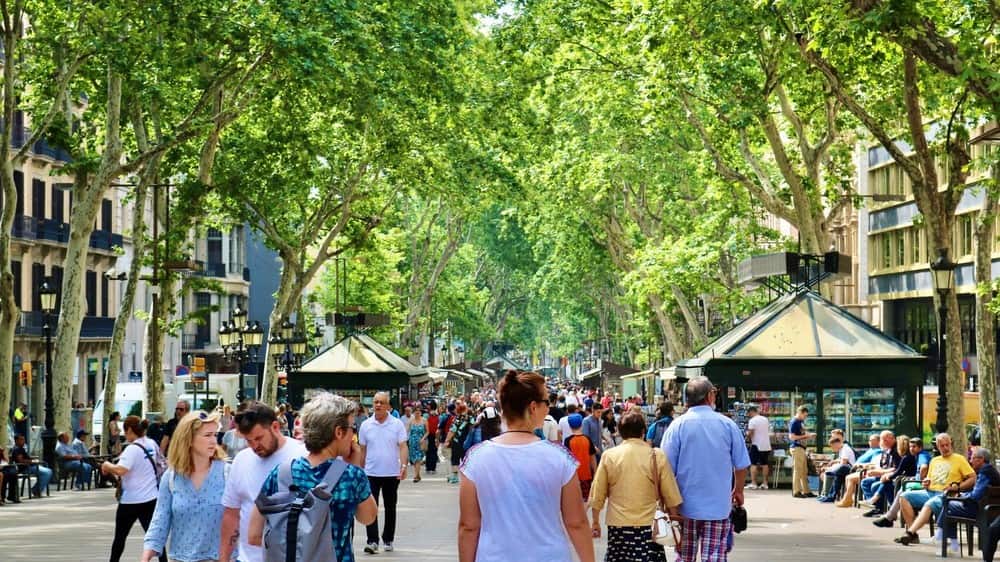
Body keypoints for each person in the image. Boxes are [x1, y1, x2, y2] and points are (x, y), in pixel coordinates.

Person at [459, 370, 595, 562]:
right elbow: (576, 522)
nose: (548, 408)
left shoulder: (475, 459)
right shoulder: (560, 458)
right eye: (546, 402)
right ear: (533, 407)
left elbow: (469, 525)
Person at [250, 392, 377, 562]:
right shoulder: (351, 476)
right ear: (338, 432)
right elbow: (368, 517)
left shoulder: (282, 473)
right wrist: (353, 466)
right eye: (352, 428)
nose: (353, 435)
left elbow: (254, 533)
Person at [661, 376, 750, 562]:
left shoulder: (677, 426)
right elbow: (741, 464)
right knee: (714, 556)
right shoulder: (727, 425)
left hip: (684, 507)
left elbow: (665, 468)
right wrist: (738, 491)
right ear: (710, 396)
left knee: (684, 556)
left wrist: (670, 505)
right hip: (718, 507)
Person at [218, 401, 307, 562]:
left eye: (259, 438)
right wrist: (223, 558)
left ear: (275, 427)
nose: (254, 446)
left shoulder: (302, 456)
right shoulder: (241, 460)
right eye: (249, 440)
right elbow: (232, 514)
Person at [590, 410, 682, 562]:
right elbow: (670, 494)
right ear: (643, 431)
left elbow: (597, 493)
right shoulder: (656, 455)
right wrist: (675, 522)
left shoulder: (610, 456)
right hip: (649, 525)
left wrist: (595, 521)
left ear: (620, 432)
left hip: (618, 525)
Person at [141, 411, 227, 562]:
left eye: (215, 434)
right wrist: (147, 553)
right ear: (189, 439)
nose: (214, 441)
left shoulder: (227, 474)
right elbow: (161, 517)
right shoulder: (171, 478)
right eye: (207, 435)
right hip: (181, 558)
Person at [101, 416, 168, 562]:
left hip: (130, 501)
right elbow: (162, 463)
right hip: (151, 498)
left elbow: (121, 470)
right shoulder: (151, 443)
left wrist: (106, 465)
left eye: (125, 431)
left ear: (130, 430)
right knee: (155, 537)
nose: (125, 434)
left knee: (120, 537)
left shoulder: (132, 449)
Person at [894, 433, 976, 545]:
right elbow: (929, 478)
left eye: (947, 445)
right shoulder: (934, 460)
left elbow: (973, 478)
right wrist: (926, 482)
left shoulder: (959, 459)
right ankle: (913, 534)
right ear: (938, 447)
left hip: (946, 494)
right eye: (942, 445)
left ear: (951, 444)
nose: (945, 448)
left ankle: (910, 533)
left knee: (930, 503)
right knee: (904, 496)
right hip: (929, 491)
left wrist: (958, 487)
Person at [359, 391, 409, 554]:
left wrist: (403, 466)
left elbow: (402, 446)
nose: (378, 405)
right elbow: (362, 450)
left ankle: (388, 539)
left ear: (388, 406)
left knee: (390, 507)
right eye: (375, 402)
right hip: (371, 473)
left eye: (381, 402)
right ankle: (372, 541)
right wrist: (360, 471)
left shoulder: (396, 424)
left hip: (391, 473)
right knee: (370, 507)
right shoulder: (366, 425)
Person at [935, 447, 1000, 554]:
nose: (970, 461)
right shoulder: (990, 470)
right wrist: (963, 495)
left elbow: (975, 495)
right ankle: (950, 540)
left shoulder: (985, 472)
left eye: (972, 458)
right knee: (950, 503)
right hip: (991, 511)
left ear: (981, 459)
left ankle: (943, 535)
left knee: (947, 502)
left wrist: (961, 496)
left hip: (981, 512)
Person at [564, 413, 598, 501]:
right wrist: (595, 472)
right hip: (587, 475)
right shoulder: (587, 439)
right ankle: (584, 512)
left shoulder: (568, 441)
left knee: (575, 499)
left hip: (573, 476)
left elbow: (567, 460)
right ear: (581, 424)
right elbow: (593, 458)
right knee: (586, 499)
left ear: (570, 426)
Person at [788, 406, 817, 498]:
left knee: (804, 471)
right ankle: (796, 491)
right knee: (798, 470)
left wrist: (807, 435)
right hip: (797, 448)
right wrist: (806, 436)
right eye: (804, 415)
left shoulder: (800, 422)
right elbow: (792, 437)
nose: (805, 417)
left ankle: (806, 490)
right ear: (800, 412)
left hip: (801, 448)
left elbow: (800, 433)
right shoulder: (794, 422)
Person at [11, 433, 51, 498]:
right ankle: (36, 490)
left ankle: (36, 489)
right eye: (21, 439)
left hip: (31, 466)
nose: (23, 441)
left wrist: (33, 460)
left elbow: (27, 458)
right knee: (46, 473)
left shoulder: (22, 449)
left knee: (49, 471)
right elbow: (21, 461)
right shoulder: (17, 449)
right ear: (16, 441)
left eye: (23, 439)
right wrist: (32, 461)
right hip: (25, 468)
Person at [817, 435, 855, 502]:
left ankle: (830, 496)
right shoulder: (842, 449)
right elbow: (840, 461)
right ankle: (827, 495)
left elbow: (843, 463)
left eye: (832, 446)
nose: (832, 448)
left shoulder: (845, 449)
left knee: (835, 472)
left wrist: (830, 469)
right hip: (843, 469)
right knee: (835, 474)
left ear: (837, 443)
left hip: (849, 469)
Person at [445, 401, 473, 485]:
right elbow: (472, 428)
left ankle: (455, 477)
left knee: (455, 458)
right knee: (466, 459)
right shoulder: (471, 418)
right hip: (467, 442)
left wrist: (447, 440)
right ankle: (468, 476)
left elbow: (452, 431)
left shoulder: (457, 419)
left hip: (457, 441)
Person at [745, 405, 771, 489]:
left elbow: (751, 432)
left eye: (748, 414)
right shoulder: (765, 419)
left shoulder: (752, 421)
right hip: (766, 445)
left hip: (756, 444)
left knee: (753, 464)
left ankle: (753, 483)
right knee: (765, 464)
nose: (748, 415)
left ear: (751, 412)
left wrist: (747, 436)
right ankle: (765, 483)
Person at [407, 408, 427, 482]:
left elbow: (427, 431)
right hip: (412, 442)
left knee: (418, 458)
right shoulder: (411, 421)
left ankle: (416, 476)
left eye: (418, 412)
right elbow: (406, 430)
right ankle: (418, 475)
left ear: (421, 413)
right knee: (414, 459)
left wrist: (423, 438)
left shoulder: (424, 420)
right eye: (416, 412)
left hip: (420, 442)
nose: (417, 414)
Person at [426, 402, 439, 475]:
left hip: (429, 434)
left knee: (428, 451)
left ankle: (428, 467)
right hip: (436, 435)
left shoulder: (427, 415)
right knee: (434, 451)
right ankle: (433, 468)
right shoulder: (438, 416)